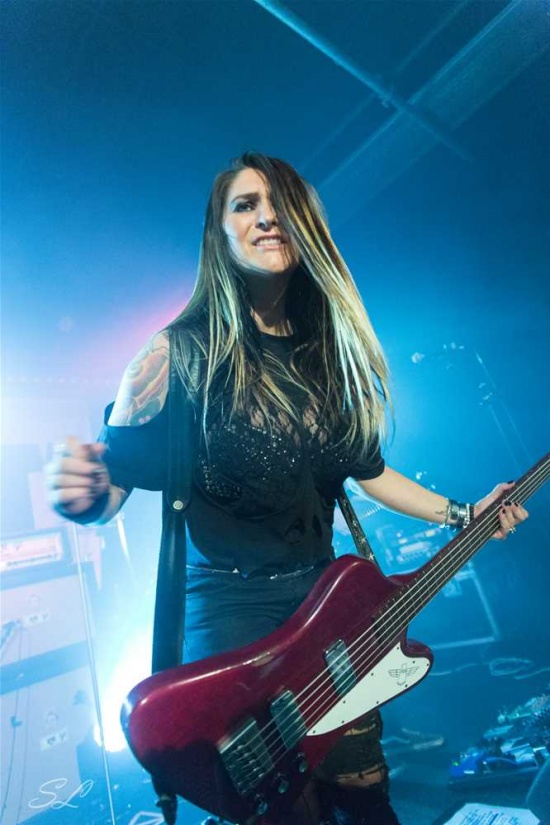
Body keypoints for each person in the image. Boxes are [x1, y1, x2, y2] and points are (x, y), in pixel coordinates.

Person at [45, 152, 528, 825]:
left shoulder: (323, 357)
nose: (267, 218)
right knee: (280, 812)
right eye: (246, 205)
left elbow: (368, 471)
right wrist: (84, 492)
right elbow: (113, 488)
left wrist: (464, 513)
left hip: (327, 602)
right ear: (219, 233)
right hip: (231, 614)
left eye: (280, 205)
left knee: (366, 796)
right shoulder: (175, 355)